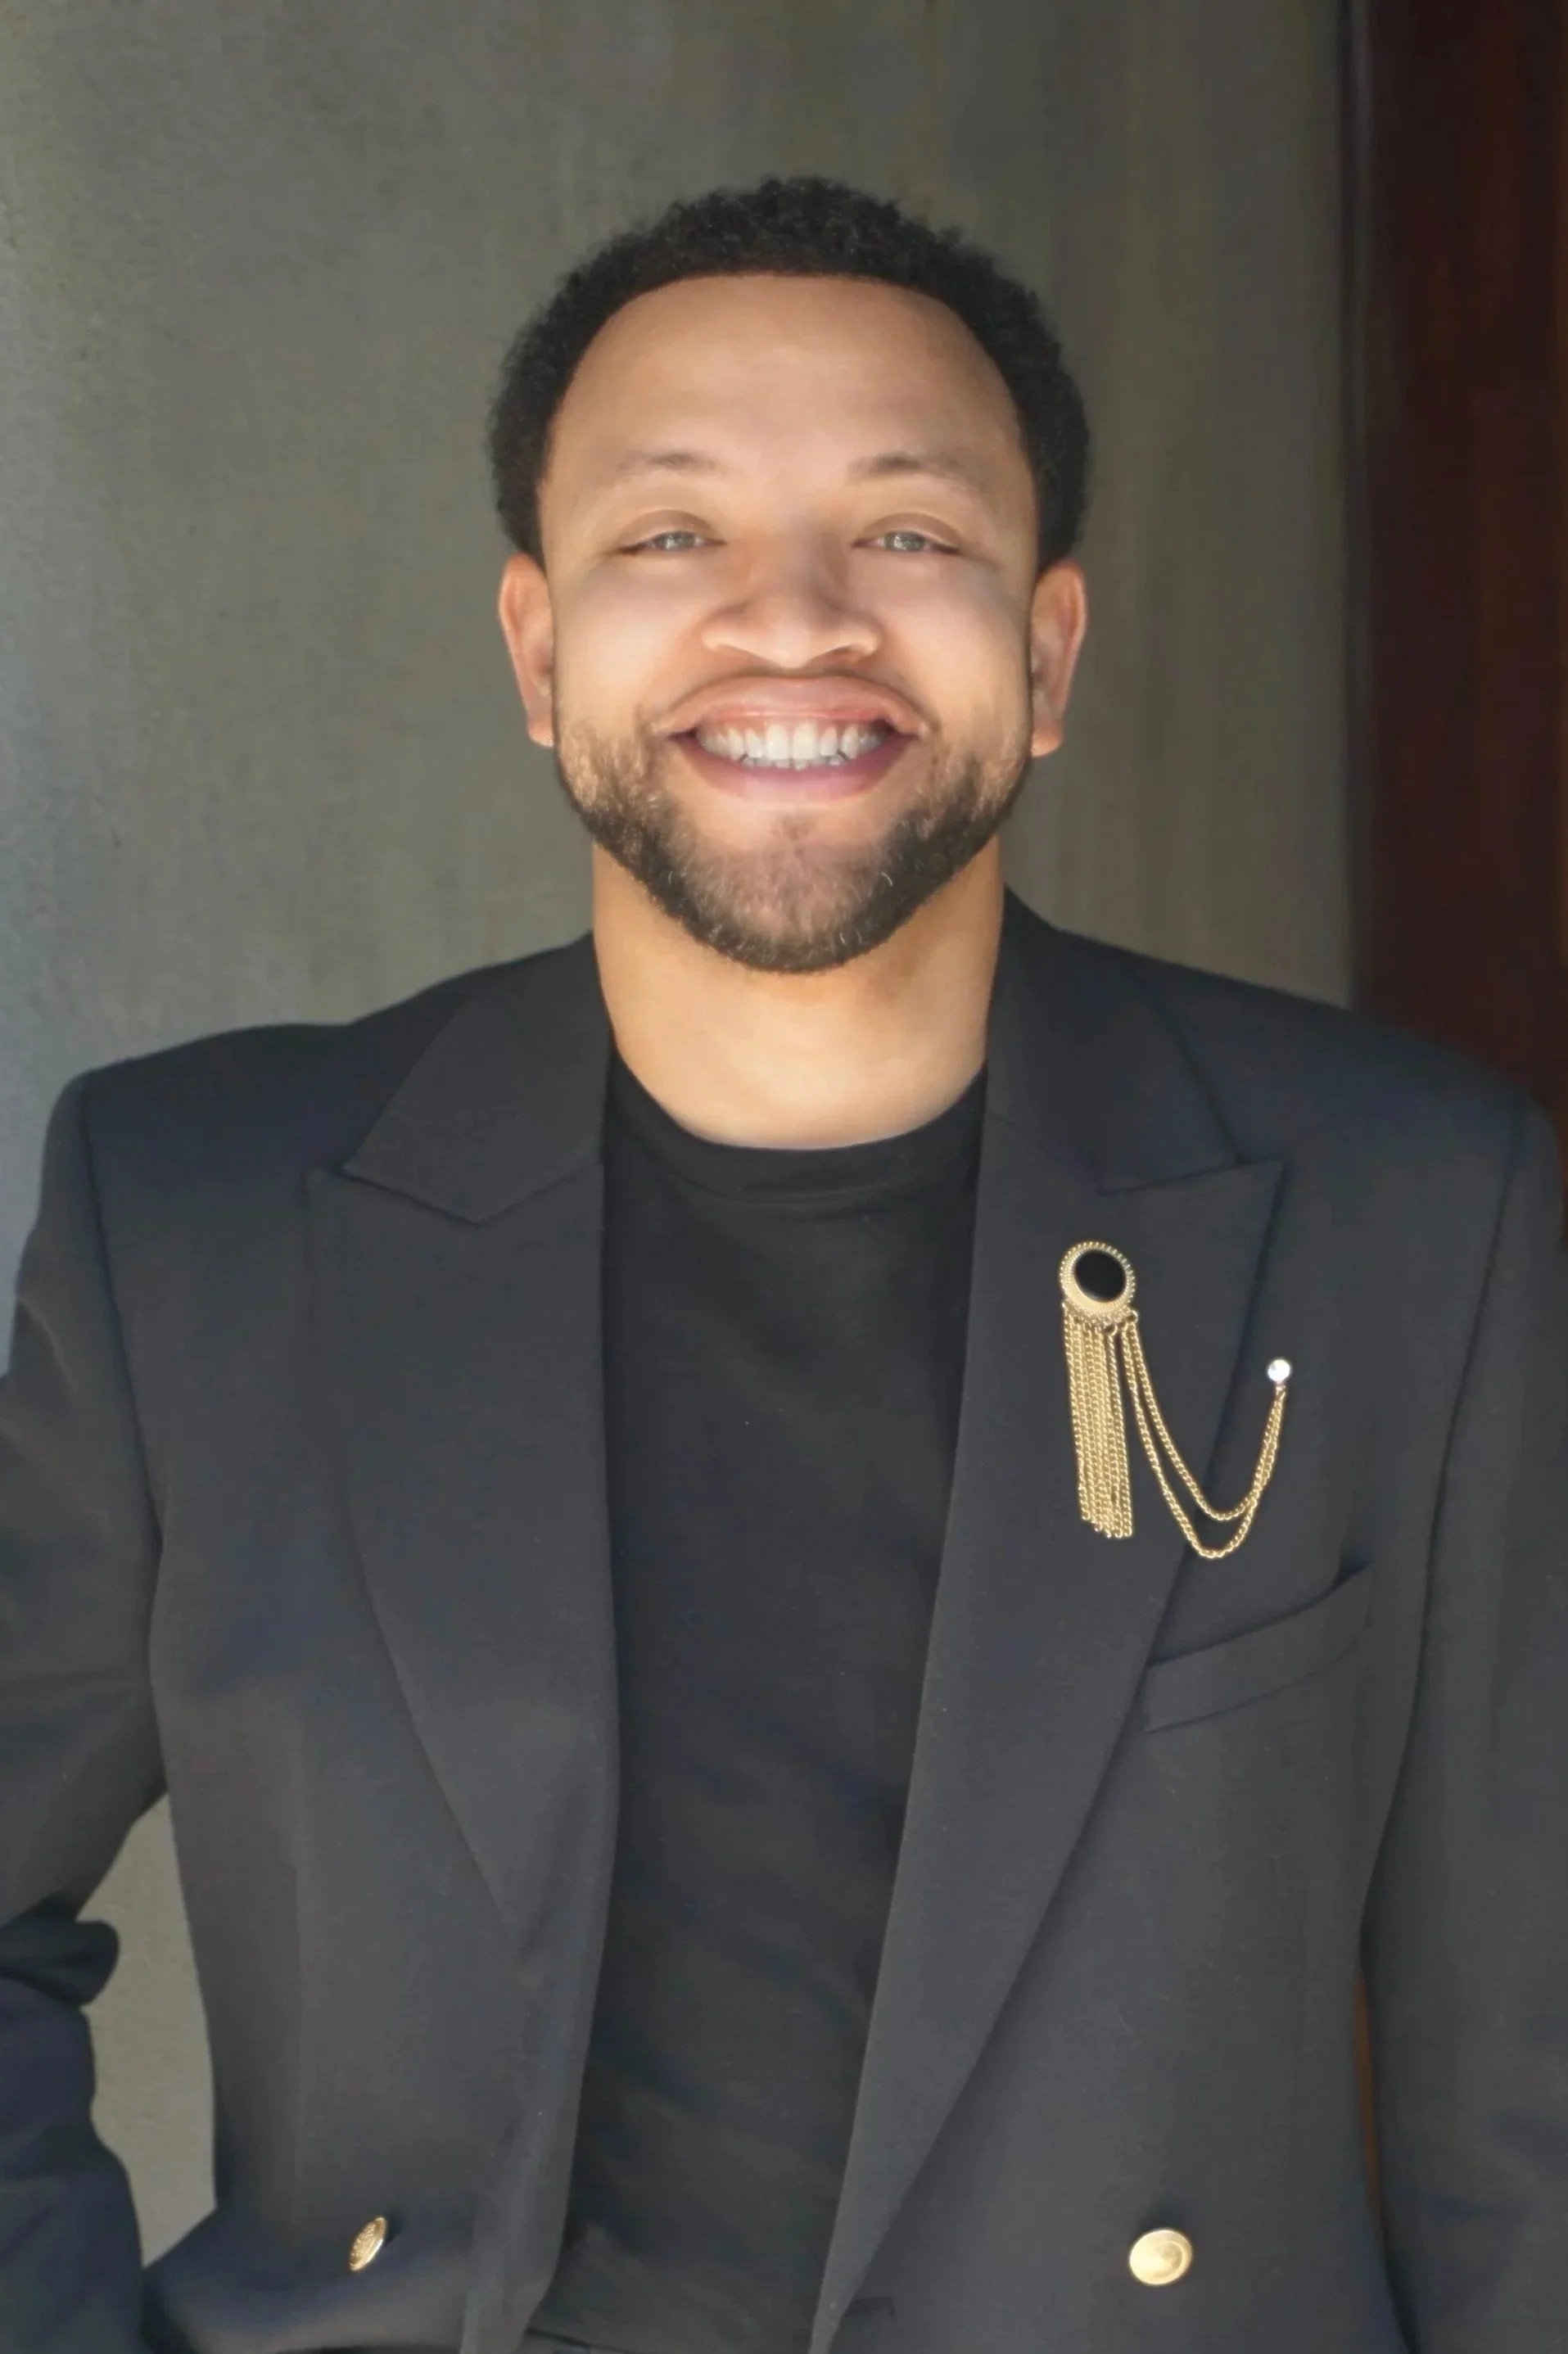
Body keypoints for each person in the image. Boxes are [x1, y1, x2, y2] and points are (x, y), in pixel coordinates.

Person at [0, 173, 1563, 2354]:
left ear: (1047, 651)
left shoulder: (1409, 1211)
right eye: (673, 535)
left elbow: (1530, 2100)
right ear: (540, 655)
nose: (795, 616)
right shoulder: (195, 1218)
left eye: (909, 530)